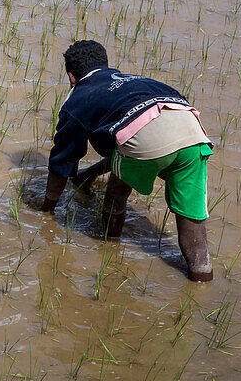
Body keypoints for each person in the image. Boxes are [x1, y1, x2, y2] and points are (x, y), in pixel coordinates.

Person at [41, 40, 214, 282]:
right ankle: (202, 281)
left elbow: (62, 160)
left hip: (145, 133)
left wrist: (46, 210)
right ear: (106, 65)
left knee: (117, 190)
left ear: (71, 76)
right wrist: (87, 175)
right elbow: (128, 148)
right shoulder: (136, 81)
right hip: (193, 133)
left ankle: (110, 252)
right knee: (192, 219)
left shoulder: (80, 96)